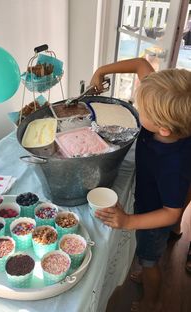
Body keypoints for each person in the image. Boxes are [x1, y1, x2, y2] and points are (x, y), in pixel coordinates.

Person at [90, 58, 191, 312]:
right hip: (148, 198)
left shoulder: (174, 166)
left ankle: (151, 301)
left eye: (141, 111)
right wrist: (101, 71)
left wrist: (128, 222)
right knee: (146, 257)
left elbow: (172, 212)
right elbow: (141, 64)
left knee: (149, 260)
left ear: (164, 130)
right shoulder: (161, 103)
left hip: (153, 216)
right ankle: (146, 271)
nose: (137, 110)